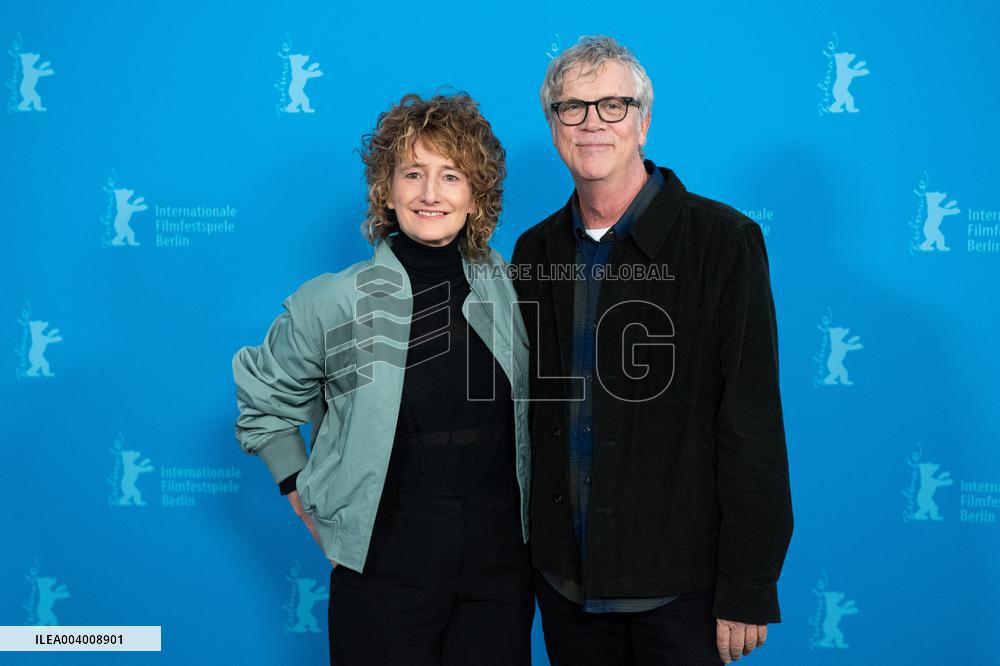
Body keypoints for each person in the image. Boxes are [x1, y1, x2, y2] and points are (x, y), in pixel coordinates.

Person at [511, 36, 794, 665]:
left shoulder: (723, 242)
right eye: (571, 108)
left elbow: (750, 422)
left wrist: (748, 585)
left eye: (613, 105)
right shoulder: (534, 252)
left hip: (680, 590)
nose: (591, 124)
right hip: (565, 587)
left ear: (644, 122)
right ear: (553, 125)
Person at [232, 92, 534, 665]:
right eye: (412, 173)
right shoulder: (332, 300)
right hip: (385, 553)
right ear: (386, 190)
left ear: (476, 195)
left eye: (450, 175)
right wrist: (299, 490)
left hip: (499, 556)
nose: (429, 193)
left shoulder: (512, 289)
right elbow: (262, 401)